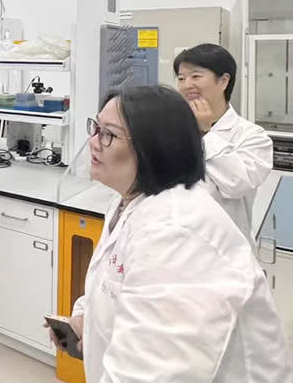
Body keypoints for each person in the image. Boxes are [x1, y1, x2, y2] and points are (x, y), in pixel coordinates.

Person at [49, 85, 292, 382]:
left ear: (153, 147)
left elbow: (153, 372)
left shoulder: (176, 232)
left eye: (108, 134)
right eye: (96, 128)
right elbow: (115, 284)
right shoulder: (128, 203)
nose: (93, 142)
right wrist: (86, 321)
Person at [174, 43, 273, 241]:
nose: (186, 85)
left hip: (224, 247)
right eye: (181, 78)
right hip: (175, 242)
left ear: (223, 81)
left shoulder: (252, 136)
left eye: (196, 76)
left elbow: (237, 183)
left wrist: (206, 132)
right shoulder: (171, 128)